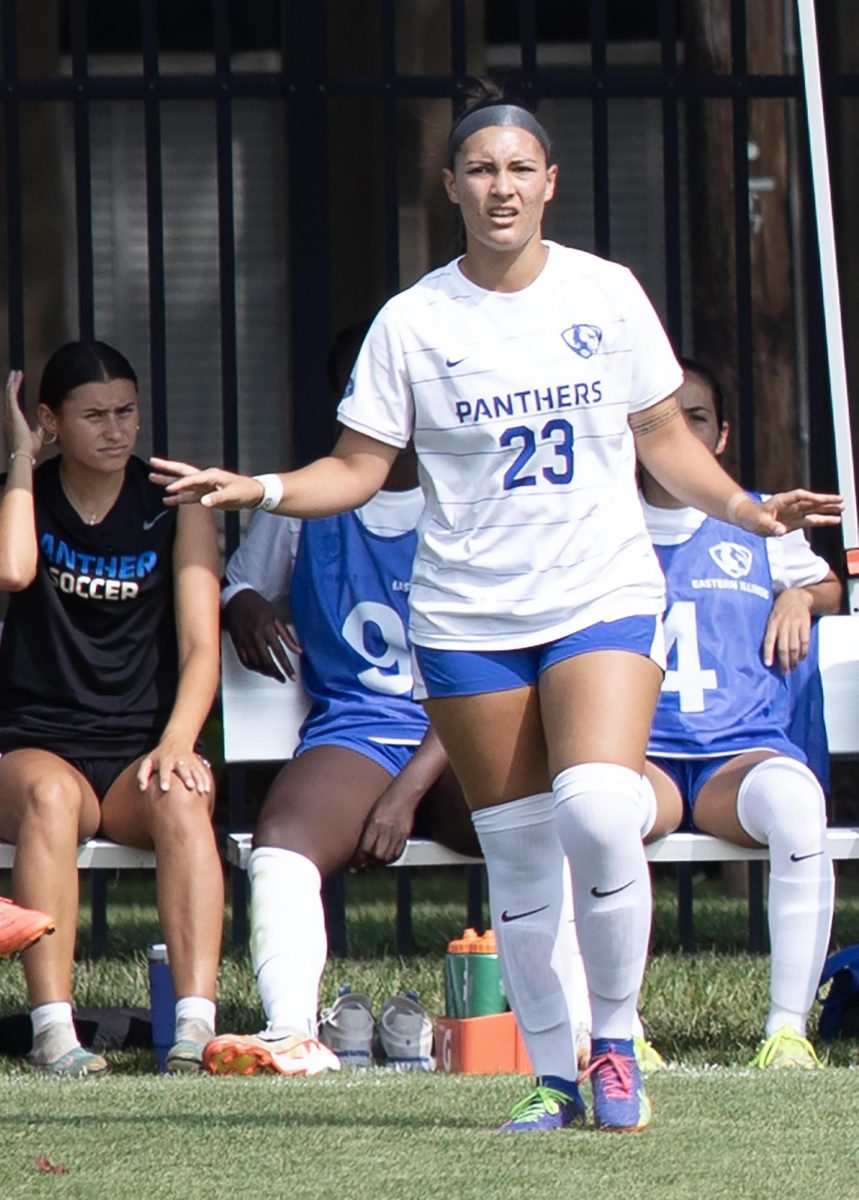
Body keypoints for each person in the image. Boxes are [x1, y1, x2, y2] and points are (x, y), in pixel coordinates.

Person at [150, 83, 841, 1132]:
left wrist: (751, 512)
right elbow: (356, 467)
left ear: (550, 183)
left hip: (597, 594)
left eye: (520, 168)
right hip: (467, 618)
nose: (501, 186)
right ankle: (557, 1075)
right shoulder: (414, 321)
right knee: (519, 853)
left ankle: (617, 1048)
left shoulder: (605, 295)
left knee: (600, 811)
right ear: (451, 188)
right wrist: (262, 490)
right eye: (481, 170)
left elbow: (663, 440)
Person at [203, 327, 479, 1077]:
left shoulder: (472, 502)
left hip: (465, 730)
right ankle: (292, 1031)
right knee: (284, 841)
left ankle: (580, 1026)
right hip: (358, 732)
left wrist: (403, 795)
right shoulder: (305, 504)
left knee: (546, 817)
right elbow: (238, 582)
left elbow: (485, 669)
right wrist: (246, 606)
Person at [0, 344, 222, 1076]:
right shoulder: (22, 492)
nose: (115, 430)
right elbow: (14, 570)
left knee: (185, 793)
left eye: (126, 412)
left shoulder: (172, 502)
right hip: (39, 742)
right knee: (49, 796)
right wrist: (21, 463)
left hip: (136, 752)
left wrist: (178, 741)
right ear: (49, 420)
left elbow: (199, 647)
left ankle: (194, 1027)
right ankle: (54, 1031)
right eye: (93, 415)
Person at [641, 359, 840, 1068]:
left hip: (738, 755)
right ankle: (612, 1028)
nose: (680, 431)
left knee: (795, 803)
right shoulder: (601, 524)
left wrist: (797, 596)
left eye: (695, 418)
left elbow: (826, 588)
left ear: (720, 435)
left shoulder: (758, 519)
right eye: (663, 418)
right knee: (599, 810)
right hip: (641, 756)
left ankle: (786, 1030)